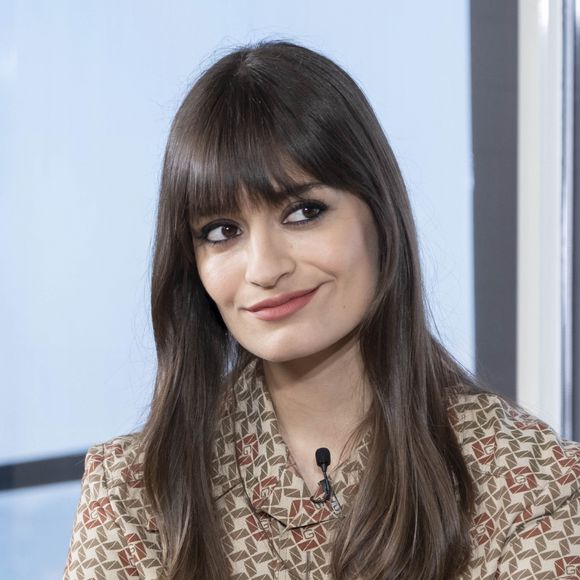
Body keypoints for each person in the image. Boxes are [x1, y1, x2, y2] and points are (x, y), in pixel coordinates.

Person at [63, 40, 580, 580]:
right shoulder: (132, 492)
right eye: (222, 231)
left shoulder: (529, 477)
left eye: (304, 212)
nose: (264, 267)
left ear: (380, 216)